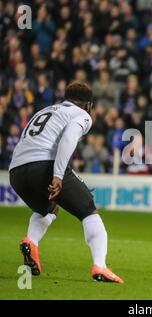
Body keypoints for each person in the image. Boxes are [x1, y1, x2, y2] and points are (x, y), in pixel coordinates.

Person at [8, 81, 124, 283]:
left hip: (16, 171)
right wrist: (58, 175)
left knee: (49, 208)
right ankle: (100, 266)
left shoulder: (45, 110)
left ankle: (31, 242)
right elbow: (68, 139)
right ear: (88, 104)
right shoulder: (81, 114)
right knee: (88, 209)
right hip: (43, 165)